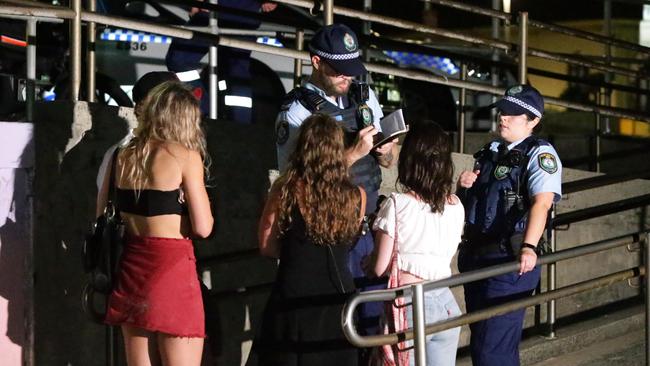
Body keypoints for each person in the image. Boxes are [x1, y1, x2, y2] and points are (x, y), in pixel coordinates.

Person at [275, 23, 398, 346]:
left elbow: (387, 162)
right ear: (316, 62)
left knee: (373, 327)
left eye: (351, 69)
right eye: (339, 70)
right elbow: (296, 182)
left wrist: (387, 150)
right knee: (335, 330)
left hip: (369, 228)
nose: (348, 77)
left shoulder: (363, 94)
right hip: (327, 238)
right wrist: (352, 155)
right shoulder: (295, 112)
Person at [97, 81, 214, 366]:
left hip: (132, 268)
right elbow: (203, 227)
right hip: (172, 269)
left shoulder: (121, 156)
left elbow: (101, 216)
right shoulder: (185, 156)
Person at [456, 84, 562, 366]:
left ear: (533, 121)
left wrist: (528, 247)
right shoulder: (490, 151)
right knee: (484, 342)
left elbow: (542, 202)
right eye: (503, 111)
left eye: (514, 114)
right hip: (477, 257)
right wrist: (462, 186)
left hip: (509, 260)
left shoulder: (540, 154)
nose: (503, 117)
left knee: (492, 348)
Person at [256, 113, 365, 366]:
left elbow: (266, 246)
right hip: (338, 297)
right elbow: (349, 239)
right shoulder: (357, 196)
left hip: (294, 296)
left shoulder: (286, 189)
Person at [370, 120, 463, 366]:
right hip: (446, 302)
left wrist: (365, 261)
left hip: (411, 304)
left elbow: (379, 268)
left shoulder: (398, 204)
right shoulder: (456, 205)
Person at [165, 0, 277, 122]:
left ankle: (206, 113)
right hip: (242, 12)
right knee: (234, 70)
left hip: (220, 9)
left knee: (179, 59)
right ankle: (239, 126)